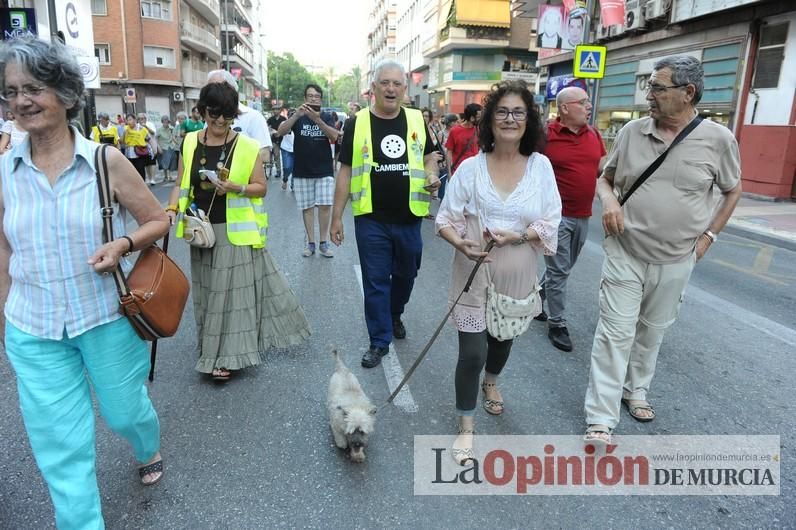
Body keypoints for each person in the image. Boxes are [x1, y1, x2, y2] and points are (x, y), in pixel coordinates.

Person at [0, 37, 169, 529]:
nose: (20, 101)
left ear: (67, 94)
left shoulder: (105, 162)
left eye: (33, 87)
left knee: (123, 412)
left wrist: (122, 245)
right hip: (33, 329)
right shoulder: (4, 172)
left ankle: (146, 443)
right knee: (61, 447)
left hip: (105, 318)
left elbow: (157, 220)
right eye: (11, 92)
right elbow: (5, 249)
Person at [583, 55, 742, 444]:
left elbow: (732, 189)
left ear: (687, 93)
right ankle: (601, 417)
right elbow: (605, 179)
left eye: (657, 87)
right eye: (649, 86)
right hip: (626, 251)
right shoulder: (633, 132)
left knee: (652, 332)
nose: (648, 95)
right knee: (615, 333)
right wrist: (609, 201)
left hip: (677, 256)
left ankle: (635, 389)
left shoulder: (719, 140)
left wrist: (709, 237)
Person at [436, 80, 561, 465]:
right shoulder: (471, 168)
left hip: (518, 272)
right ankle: (467, 426)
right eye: (502, 112)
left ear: (529, 120)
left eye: (518, 112)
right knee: (471, 352)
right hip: (474, 270)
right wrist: (461, 244)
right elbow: (446, 218)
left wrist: (521, 235)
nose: (510, 119)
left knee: (502, 341)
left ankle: (492, 381)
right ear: (489, 120)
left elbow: (552, 220)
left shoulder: (540, 166)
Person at [166, 81, 310, 381]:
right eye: (213, 115)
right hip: (199, 229)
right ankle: (211, 346)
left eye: (227, 116)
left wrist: (236, 187)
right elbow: (181, 183)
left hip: (234, 232)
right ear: (202, 111)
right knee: (207, 292)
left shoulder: (246, 146)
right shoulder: (191, 141)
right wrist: (170, 210)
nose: (219, 122)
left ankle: (226, 358)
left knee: (229, 296)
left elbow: (261, 187)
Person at [330, 59, 441, 368]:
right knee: (376, 280)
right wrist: (336, 217)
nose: (391, 89)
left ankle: (394, 314)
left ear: (405, 89)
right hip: (371, 218)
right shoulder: (357, 122)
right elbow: (346, 171)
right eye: (385, 83)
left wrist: (432, 175)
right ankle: (379, 340)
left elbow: (431, 156)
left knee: (406, 274)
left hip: (409, 217)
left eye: (397, 84)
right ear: (374, 89)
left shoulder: (417, 119)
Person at [539, 86, 606, 352]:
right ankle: (557, 323)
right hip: (555, 216)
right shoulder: (546, 135)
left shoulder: (595, 134)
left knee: (564, 268)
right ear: (565, 108)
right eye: (583, 102)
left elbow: (602, 168)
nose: (589, 106)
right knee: (559, 270)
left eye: (588, 102)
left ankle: (533, 299)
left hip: (583, 215)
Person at [277, 83, 339, 258]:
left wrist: (317, 119)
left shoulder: (326, 116)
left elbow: (334, 136)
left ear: (320, 99)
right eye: (310, 96)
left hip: (324, 168)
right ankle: (311, 243)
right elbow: (281, 132)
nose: (313, 99)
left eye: (316, 96)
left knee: (325, 205)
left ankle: (323, 243)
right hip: (303, 169)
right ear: (305, 98)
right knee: (307, 207)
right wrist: (297, 115)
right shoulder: (297, 117)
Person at [206, 70, 272, 168]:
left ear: (232, 90)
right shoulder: (209, 117)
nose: (213, 92)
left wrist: (231, 166)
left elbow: (264, 154)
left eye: (218, 88)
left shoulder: (253, 116)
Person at [445, 103, 482, 177]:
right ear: (472, 118)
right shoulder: (455, 131)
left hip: (475, 172)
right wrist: (449, 173)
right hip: (458, 172)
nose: (480, 119)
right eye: (478, 117)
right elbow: (449, 152)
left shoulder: (479, 130)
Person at [122, 113, 150, 179]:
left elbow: (148, 138)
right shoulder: (126, 129)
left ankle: (142, 185)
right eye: (127, 120)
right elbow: (122, 141)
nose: (129, 122)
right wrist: (124, 133)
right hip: (129, 153)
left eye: (130, 119)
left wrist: (140, 142)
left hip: (139, 152)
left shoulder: (141, 128)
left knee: (140, 170)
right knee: (132, 171)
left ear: (134, 120)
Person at [156, 115, 179, 181]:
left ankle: (170, 176)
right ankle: (165, 176)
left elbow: (174, 137)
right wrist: (158, 147)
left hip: (171, 146)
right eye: (164, 121)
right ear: (162, 122)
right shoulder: (159, 130)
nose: (166, 123)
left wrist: (177, 144)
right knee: (164, 162)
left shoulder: (171, 128)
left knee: (172, 161)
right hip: (163, 147)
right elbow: (156, 139)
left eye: (167, 121)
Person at [138, 113, 158, 185]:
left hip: (151, 145)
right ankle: (149, 178)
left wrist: (145, 126)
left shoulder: (150, 124)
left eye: (142, 118)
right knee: (146, 164)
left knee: (152, 162)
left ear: (145, 119)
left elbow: (153, 133)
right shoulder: (137, 126)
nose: (141, 120)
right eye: (139, 119)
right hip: (143, 147)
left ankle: (153, 178)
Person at [267, 108, 286, 179]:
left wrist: (279, 133)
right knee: (273, 156)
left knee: (278, 156)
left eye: (277, 110)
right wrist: (271, 130)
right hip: (273, 140)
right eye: (274, 110)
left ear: (280, 111)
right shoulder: (270, 119)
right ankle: (270, 171)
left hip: (283, 139)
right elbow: (267, 127)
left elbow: (286, 128)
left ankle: (279, 171)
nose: (275, 111)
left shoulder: (283, 119)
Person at [280, 108, 295, 191]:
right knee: (287, 167)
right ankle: (285, 179)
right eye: (291, 115)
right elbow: (282, 132)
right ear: (288, 116)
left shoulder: (300, 124)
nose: (292, 116)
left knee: (295, 168)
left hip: (297, 149)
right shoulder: (284, 123)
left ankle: (293, 184)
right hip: (286, 148)